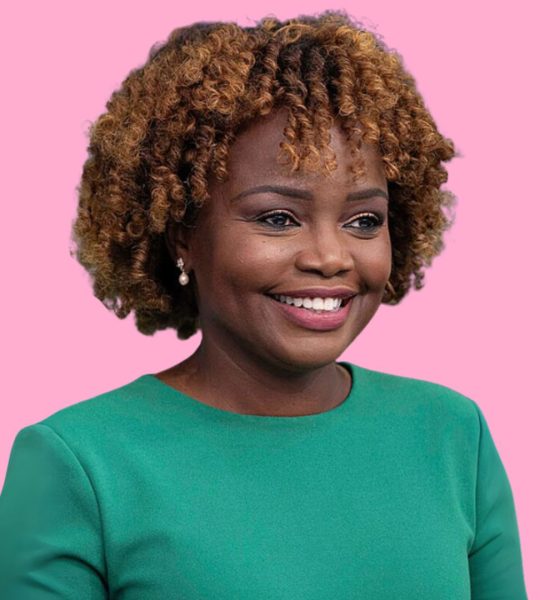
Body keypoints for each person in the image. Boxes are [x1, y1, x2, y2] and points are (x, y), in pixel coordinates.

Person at [0, 10, 528, 599]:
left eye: (363, 220)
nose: (331, 257)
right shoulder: (76, 464)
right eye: (278, 218)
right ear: (182, 234)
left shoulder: (452, 435)